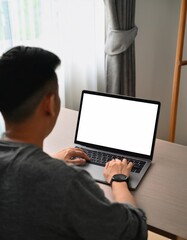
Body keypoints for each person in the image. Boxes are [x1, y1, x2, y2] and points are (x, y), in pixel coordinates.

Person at [0, 46, 147, 239]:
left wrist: (49, 160)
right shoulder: (66, 182)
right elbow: (134, 232)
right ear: (50, 104)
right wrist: (118, 180)